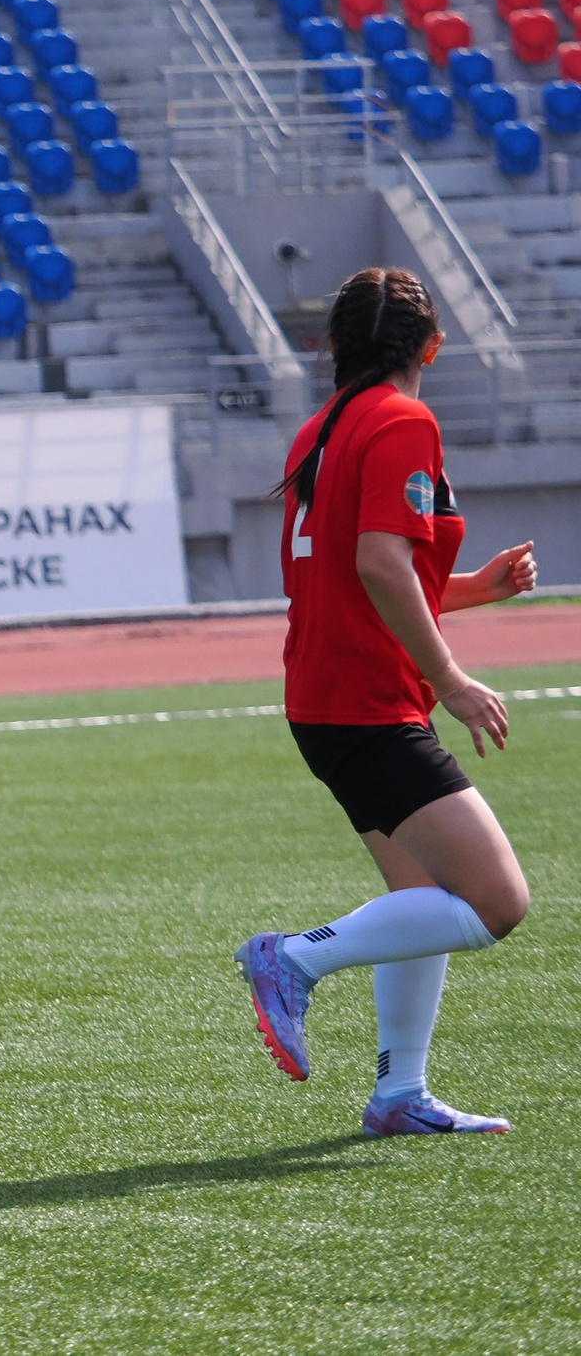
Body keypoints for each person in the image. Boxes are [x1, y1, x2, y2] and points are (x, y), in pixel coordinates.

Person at [237, 266, 539, 1135]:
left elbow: (361, 575)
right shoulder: (404, 419)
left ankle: (400, 1092)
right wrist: (451, 680)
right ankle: (292, 958)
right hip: (367, 699)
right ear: (432, 347)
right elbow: (378, 564)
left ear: (334, 346)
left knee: (424, 898)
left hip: (327, 694)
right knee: (497, 902)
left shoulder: (320, 429)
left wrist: (473, 589)